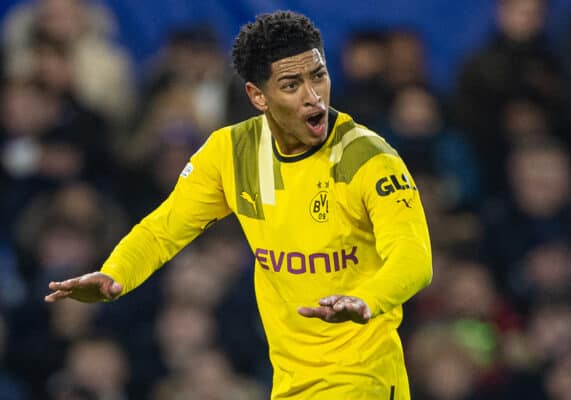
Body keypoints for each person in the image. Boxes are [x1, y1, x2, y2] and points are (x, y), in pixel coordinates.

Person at [44, 11, 432, 399]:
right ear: (257, 96)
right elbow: (163, 229)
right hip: (291, 383)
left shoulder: (368, 158)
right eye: (291, 84)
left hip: (365, 380)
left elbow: (414, 257)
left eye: (318, 75)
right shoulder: (231, 153)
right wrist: (116, 273)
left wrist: (368, 298)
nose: (313, 96)